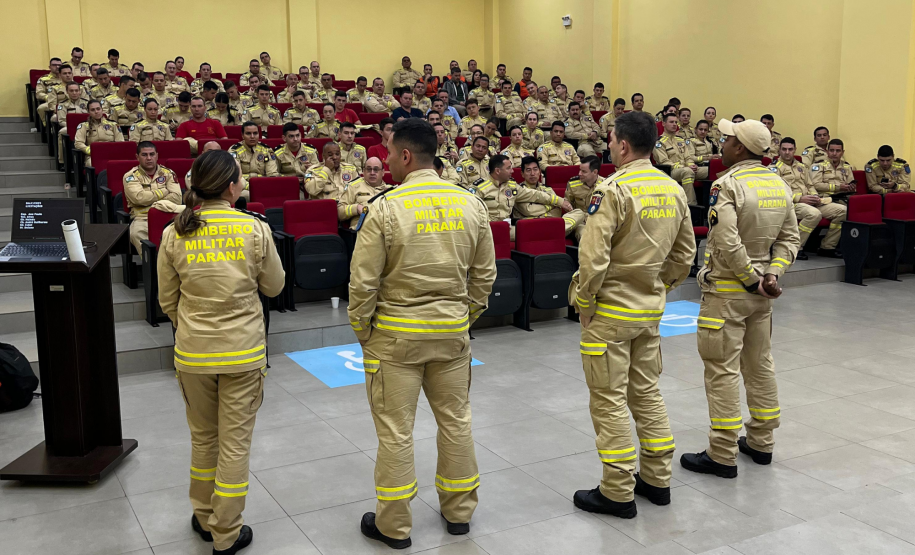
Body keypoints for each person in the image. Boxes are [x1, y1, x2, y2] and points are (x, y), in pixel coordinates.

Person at [348, 118, 495, 549]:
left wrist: (362, 329)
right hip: (451, 334)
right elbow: (485, 275)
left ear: (407, 155)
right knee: (456, 421)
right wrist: (464, 317)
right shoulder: (471, 204)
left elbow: (363, 283)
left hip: (395, 339)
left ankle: (394, 526)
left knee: (395, 430)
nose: (387, 160)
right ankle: (459, 512)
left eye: (390, 153)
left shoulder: (385, 207)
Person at [158, 149, 284, 555]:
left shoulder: (174, 231)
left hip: (193, 354)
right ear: (231, 188)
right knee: (234, 444)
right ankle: (226, 533)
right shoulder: (254, 228)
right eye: (241, 178)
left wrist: (191, 325)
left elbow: (167, 301)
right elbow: (274, 287)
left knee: (203, 440)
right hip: (242, 353)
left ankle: (204, 516)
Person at [569, 110, 695, 517]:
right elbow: (685, 255)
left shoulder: (611, 190)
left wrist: (586, 304)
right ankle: (657, 480)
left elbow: (593, 259)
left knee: (608, 401)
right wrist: (658, 288)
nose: (608, 147)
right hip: (649, 309)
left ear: (623, 145)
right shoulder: (672, 188)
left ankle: (617, 490)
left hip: (610, 313)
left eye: (610, 141)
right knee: (647, 394)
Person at [679, 118, 800, 480]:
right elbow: (790, 239)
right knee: (760, 365)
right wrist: (771, 276)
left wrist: (750, 280)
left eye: (728, 138)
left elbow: (727, 241)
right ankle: (762, 442)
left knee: (722, 371)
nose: (723, 142)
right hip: (762, 296)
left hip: (727, 294)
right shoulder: (779, 184)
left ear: (740, 147)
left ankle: (721, 454)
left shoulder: (727, 185)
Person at [769, 137, 844, 260]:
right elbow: (776, 191)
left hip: (809, 201)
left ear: (795, 150)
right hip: (791, 203)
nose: (787, 152)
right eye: (784, 149)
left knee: (842, 211)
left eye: (790, 149)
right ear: (779, 150)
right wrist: (799, 198)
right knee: (814, 214)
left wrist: (815, 196)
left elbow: (810, 185)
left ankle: (827, 247)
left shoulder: (801, 166)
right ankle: (794, 248)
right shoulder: (774, 168)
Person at [471, 153, 570, 234]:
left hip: (506, 229)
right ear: (498, 171)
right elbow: (472, 213)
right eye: (508, 168)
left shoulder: (512, 186)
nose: (512, 171)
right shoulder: (479, 188)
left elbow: (535, 195)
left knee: (533, 232)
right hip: (486, 229)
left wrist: (560, 201)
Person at [123, 141, 181, 251]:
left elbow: (177, 198)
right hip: (143, 218)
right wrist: (164, 191)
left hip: (169, 216)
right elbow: (139, 198)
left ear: (157, 156)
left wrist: (150, 200)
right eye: (144, 155)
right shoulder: (131, 176)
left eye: (152, 154)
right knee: (137, 234)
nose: (149, 158)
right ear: (137, 157)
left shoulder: (168, 173)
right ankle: (153, 261)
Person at [653, 113, 698, 205]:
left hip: (686, 169)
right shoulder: (659, 142)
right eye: (671, 122)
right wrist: (684, 167)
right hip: (670, 172)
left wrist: (691, 165)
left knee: (709, 170)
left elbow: (688, 157)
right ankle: (691, 205)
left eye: (676, 122)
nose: (674, 124)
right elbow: (664, 162)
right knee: (687, 172)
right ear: (663, 124)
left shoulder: (680, 140)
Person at [337, 156, 391, 228]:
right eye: (369, 169)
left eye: (376, 169)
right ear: (364, 171)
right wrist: (356, 208)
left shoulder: (391, 190)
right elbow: (339, 212)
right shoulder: (353, 187)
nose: (372, 173)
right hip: (361, 231)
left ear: (383, 172)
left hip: (385, 229)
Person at [810, 139, 856, 211]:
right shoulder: (818, 165)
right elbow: (815, 185)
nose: (834, 153)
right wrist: (838, 187)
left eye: (838, 151)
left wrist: (851, 188)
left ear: (842, 152)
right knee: (844, 210)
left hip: (842, 198)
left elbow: (851, 187)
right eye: (831, 150)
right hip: (825, 200)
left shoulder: (847, 167)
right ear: (827, 151)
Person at [74, 100, 124, 167]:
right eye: (92, 110)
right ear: (88, 112)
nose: (96, 112)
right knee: (92, 164)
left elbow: (120, 142)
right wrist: (91, 151)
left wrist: (113, 152)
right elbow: (78, 143)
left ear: (102, 110)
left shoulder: (113, 125)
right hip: (93, 156)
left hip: (111, 155)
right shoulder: (84, 126)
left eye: (98, 109)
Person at [54, 82, 90, 164]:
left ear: (80, 91)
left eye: (76, 90)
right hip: (70, 127)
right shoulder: (62, 105)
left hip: (86, 127)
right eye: (71, 91)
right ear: (67, 92)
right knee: (62, 132)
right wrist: (73, 127)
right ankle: (62, 161)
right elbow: (61, 121)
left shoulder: (87, 103)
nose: (74, 93)